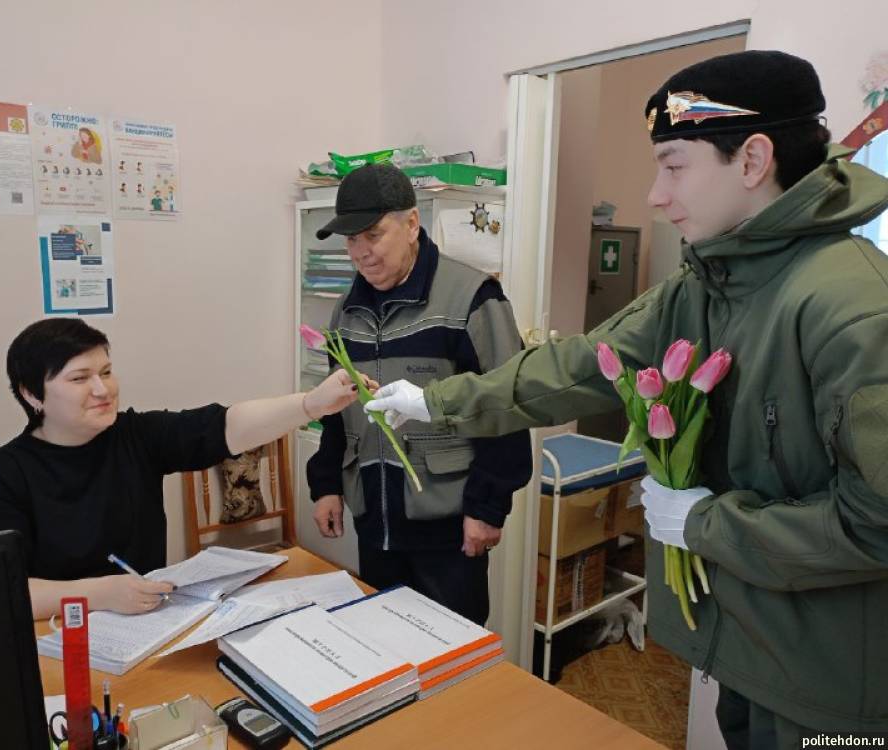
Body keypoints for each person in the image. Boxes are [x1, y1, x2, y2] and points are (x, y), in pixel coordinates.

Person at [367, 51, 888, 747]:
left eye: (673, 166)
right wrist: (439, 402)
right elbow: (581, 366)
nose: (655, 196)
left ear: (753, 159)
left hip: (831, 686)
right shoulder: (706, 283)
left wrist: (706, 524)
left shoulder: (854, 308)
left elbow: (877, 523)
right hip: (750, 649)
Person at [0, 318, 363, 620]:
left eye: (106, 372)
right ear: (31, 394)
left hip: (150, 621)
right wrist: (99, 594)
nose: (103, 390)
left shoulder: (135, 435)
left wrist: (310, 404)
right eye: (80, 378)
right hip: (59, 638)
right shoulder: (3, 475)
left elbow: (225, 427)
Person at [306, 163, 531, 626]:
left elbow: (506, 407)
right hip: (375, 526)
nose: (361, 253)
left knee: (453, 654)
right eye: (351, 240)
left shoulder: (473, 297)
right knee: (385, 647)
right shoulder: (345, 313)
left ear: (411, 224)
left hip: (450, 529)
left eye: (373, 235)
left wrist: (488, 507)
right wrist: (326, 484)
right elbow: (335, 413)